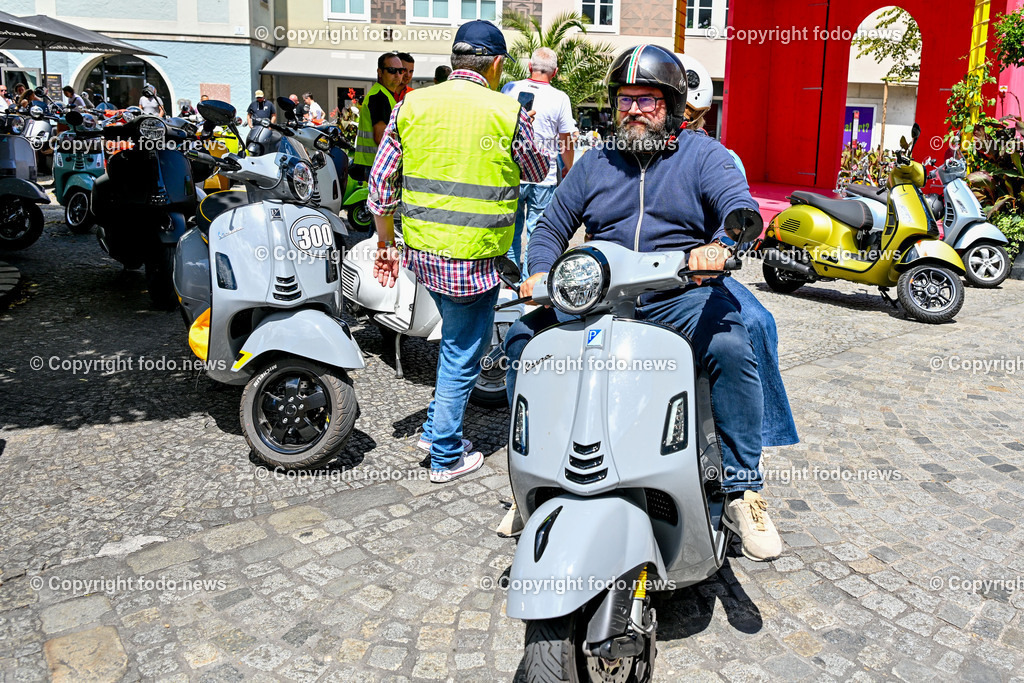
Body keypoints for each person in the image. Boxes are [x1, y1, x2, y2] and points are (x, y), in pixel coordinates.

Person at [502, 45, 788, 561]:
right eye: (625, 99)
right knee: (522, 342)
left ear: (673, 106)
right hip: (598, 296)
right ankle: (531, 473)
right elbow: (551, 225)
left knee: (729, 343)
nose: (633, 110)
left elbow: (739, 208)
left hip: (676, 292)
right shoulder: (594, 162)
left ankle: (744, 489)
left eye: (648, 100)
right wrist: (540, 270)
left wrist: (722, 245)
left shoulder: (704, 156)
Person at [368, 21, 548, 483]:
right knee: (461, 352)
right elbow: (537, 167)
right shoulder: (506, 111)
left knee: (453, 342)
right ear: (496, 65)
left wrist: (386, 244)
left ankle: (433, 429)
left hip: (424, 255)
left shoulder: (412, 103)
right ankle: (445, 453)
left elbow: (380, 186)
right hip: (475, 257)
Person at [500, 47, 577, 279]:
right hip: (544, 175)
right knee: (537, 231)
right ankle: (530, 283)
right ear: (554, 73)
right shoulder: (560, 98)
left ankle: (509, 281)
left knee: (510, 229)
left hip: (512, 171)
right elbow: (566, 138)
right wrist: (568, 166)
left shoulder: (509, 89)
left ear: (530, 67)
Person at [352, 52, 405, 182]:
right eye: (392, 70)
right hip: (377, 165)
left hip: (374, 164)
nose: (398, 75)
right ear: (380, 72)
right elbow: (380, 137)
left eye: (400, 70)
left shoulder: (385, 95)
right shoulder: (380, 96)